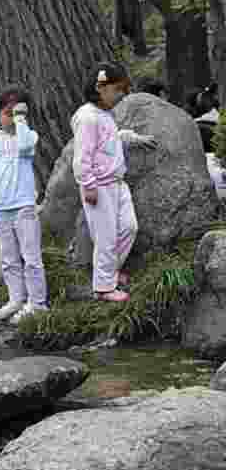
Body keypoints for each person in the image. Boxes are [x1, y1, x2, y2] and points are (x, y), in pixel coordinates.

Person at [71, 62, 157, 302]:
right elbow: (82, 157)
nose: (121, 95)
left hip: (118, 183)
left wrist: (131, 138)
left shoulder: (105, 115)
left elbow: (109, 142)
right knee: (106, 236)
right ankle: (104, 288)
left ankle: (109, 273)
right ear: (101, 87)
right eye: (118, 90)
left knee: (129, 228)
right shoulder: (87, 117)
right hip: (99, 185)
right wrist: (88, 184)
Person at [0, 87, 49, 323]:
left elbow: (26, 146)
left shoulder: (28, 137)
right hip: (0, 210)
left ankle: (37, 303)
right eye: (7, 112)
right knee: (9, 259)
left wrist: (20, 121)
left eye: (17, 113)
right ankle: (16, 298)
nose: (11, 117)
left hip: (24, 207)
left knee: (31, 257)